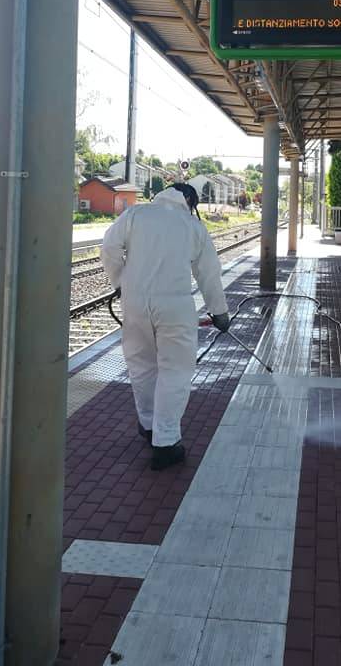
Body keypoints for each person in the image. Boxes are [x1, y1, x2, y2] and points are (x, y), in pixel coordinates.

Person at [101, 183, 231, 470]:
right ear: (188, 200)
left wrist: (120, 282)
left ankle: (148, 426)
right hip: (176, 307)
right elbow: (208, 273)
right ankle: (166, 442)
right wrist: (220, 313)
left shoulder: (135, 215)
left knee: (142, 365)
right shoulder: (192, 225)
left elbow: (109, 247)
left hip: (134, 303)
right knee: (175, 370)